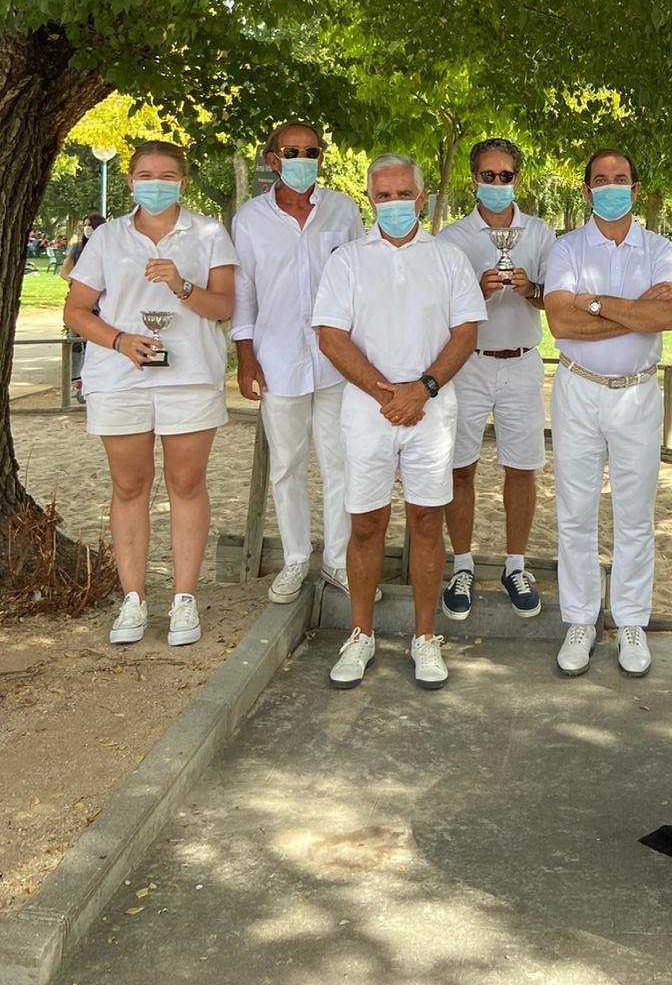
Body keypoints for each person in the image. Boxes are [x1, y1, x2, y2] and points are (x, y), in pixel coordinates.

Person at [312, 153, 486, 691]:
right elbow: (330, 335)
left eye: (401, 194)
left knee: (426, 522)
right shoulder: (347, 260)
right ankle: (360, 635)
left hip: (431, 409)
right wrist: (385, 393)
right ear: (371, 200)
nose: (393, 204)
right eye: (382, 195)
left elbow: (465, 334)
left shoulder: (449, 257)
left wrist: (423, 389)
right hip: (368, 410)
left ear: (421, 195)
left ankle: (425, 637)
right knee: (365, 523)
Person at [62, 141, 238, 648]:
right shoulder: (107, 237)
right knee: (129, 486)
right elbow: (76, 311)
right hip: (119, 378)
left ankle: (184, 599)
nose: (154, 183)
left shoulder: (207, 232)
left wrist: (182, 287)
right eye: (144, 174)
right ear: (130, 181)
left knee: (186, 483)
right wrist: (120, 341)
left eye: (166, 175)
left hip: (189, 376)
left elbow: (223, 306)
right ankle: (134, 598)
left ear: (182, 182)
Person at [543, 149, 672, 678]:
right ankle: (580, 619)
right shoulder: (568, 246)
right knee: (575, 512)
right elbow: (560, 322)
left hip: (637, 394)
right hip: (578, 390)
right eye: (599, 180)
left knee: (634, 514)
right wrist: (631, 311)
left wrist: (594, 301)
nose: (610, 187)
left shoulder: (660, 248)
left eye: (620, 179)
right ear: (585, 191)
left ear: (636, 188)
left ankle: (630, 621)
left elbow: (667, 314)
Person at [231, 122, 365, 604]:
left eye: (311, 151)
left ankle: (336, 560)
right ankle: (294, 559)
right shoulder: (250, 219)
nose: (302, 159)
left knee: (339, 462)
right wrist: (245, 355)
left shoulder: (343, 210)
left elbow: (359, 276)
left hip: (336, 361)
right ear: (273, 159)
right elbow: (244, 289)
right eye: (292, 151)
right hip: (278, 357)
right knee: (286, 465)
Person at [437, 138, 556, 621]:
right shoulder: (451, 238)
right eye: (489, 176)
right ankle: (462, 564)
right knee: (461, 466)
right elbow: (440, 312)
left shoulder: (541, 232)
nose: (497, 184)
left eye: (506, 176)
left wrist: (531, 290)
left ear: (517, 179)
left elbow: (556, 301)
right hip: (468, 363)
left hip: (524, 360)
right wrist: (476, 294)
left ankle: (514, 565)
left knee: (521, 467)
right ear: (473, 180)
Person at [61, 213, 106, 404]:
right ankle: (77, 382)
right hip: (82, 303)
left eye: (91, 225)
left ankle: (94, 382)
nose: (87, 228)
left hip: (102, 304)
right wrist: (83, 283)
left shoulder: (109, 247)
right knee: (77, 343)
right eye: (85, 225)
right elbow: (65, 271)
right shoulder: (77, 248)